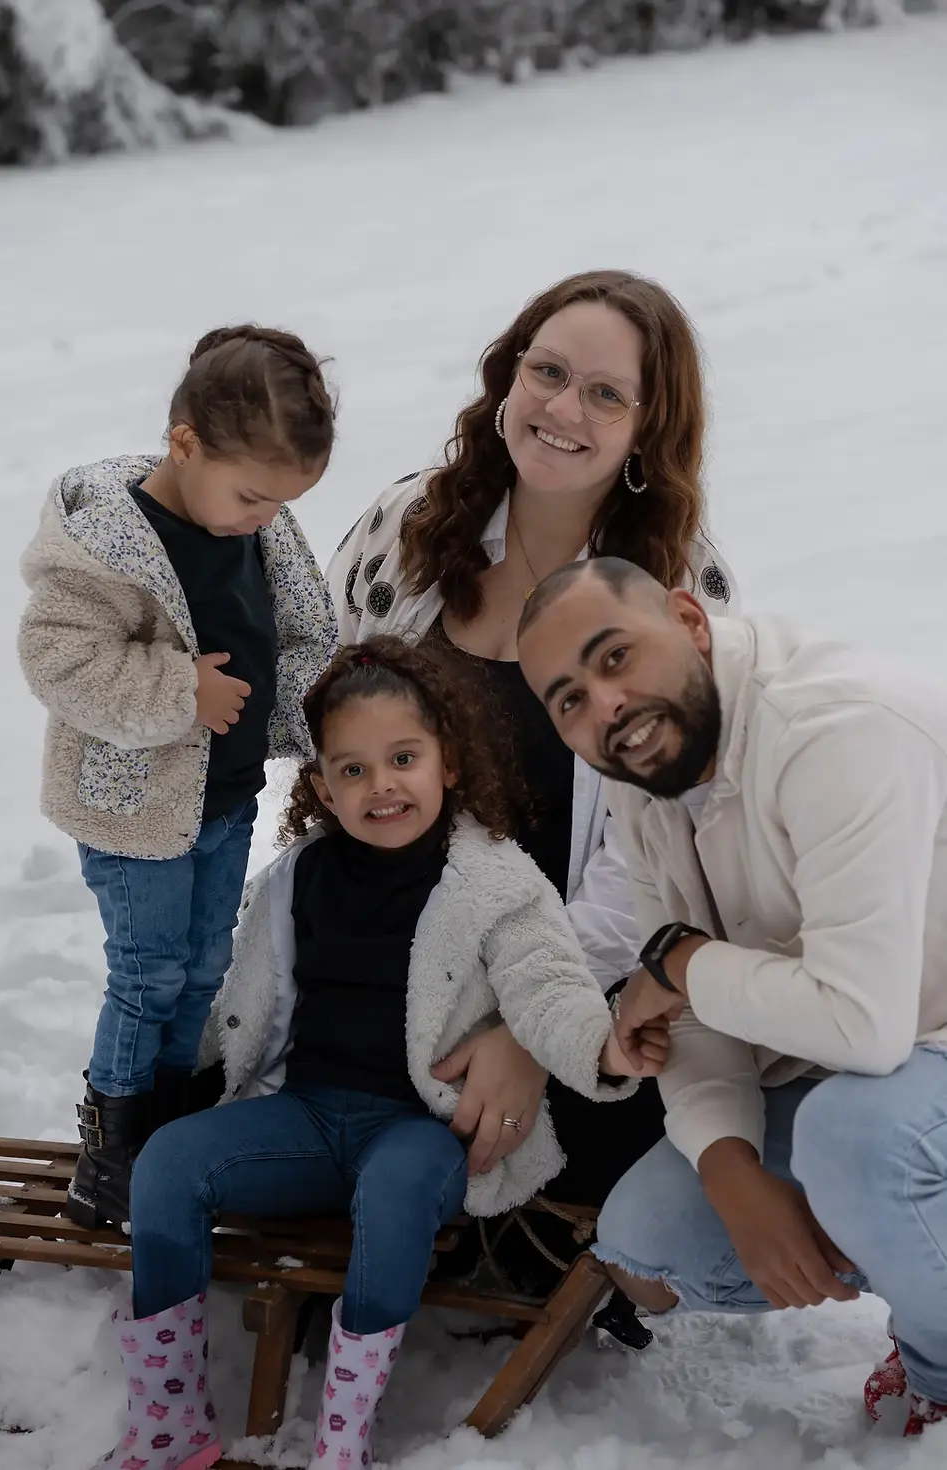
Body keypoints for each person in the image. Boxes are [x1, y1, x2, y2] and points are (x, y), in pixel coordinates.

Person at [90, 636, 661, 1470]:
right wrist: (161, 1068)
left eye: (403, 758)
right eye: (352, 770)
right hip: (306, 1118)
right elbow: (243, 1003)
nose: (380, 785)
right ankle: (171, 1421)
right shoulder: (298, 877)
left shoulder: (496, 883)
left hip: (420, 1132)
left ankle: (342, 1438)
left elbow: (551, 989)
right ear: (321, 785)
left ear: (449, 765)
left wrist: (602, 1054)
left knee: (395, 1191)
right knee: (170, 1165)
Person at [326, 270, 738, 1225]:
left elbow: (662, 852)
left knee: (616, 1143)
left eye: (605, 394)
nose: (563, 409)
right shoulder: (407, 527)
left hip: (575, 977)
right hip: (394, 951)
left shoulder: (682, 588)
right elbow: (333, 746)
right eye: (546, 372)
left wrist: (527, 1023)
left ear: (648, 428)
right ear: (507, 378)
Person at [516, 555, 947, 1438]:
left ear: (690, 619)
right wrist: (729, 1164)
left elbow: (859, 1025)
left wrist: (678, 962)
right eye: (568, 699)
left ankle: (941, 1367)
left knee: (856, 1143)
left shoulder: (836, 727)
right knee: (648, 1238)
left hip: (896, 1060)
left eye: (615, 657)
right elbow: (693, 1008)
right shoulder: (655, 778)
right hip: (881, 1068)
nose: (606, 708)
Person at [17, 325, 338, 1232]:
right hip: (132, 812)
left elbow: (306, 630)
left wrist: (327, 717)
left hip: (227, 799)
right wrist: (175, 688)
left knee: (201, 967)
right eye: (250, 496)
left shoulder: (258, 526)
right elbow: (58, 657)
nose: (262, 518)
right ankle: (112, 1145)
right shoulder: (106, 544)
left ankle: (169, 1127)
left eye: (280, 502)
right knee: (148, 971)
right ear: (185, 441)